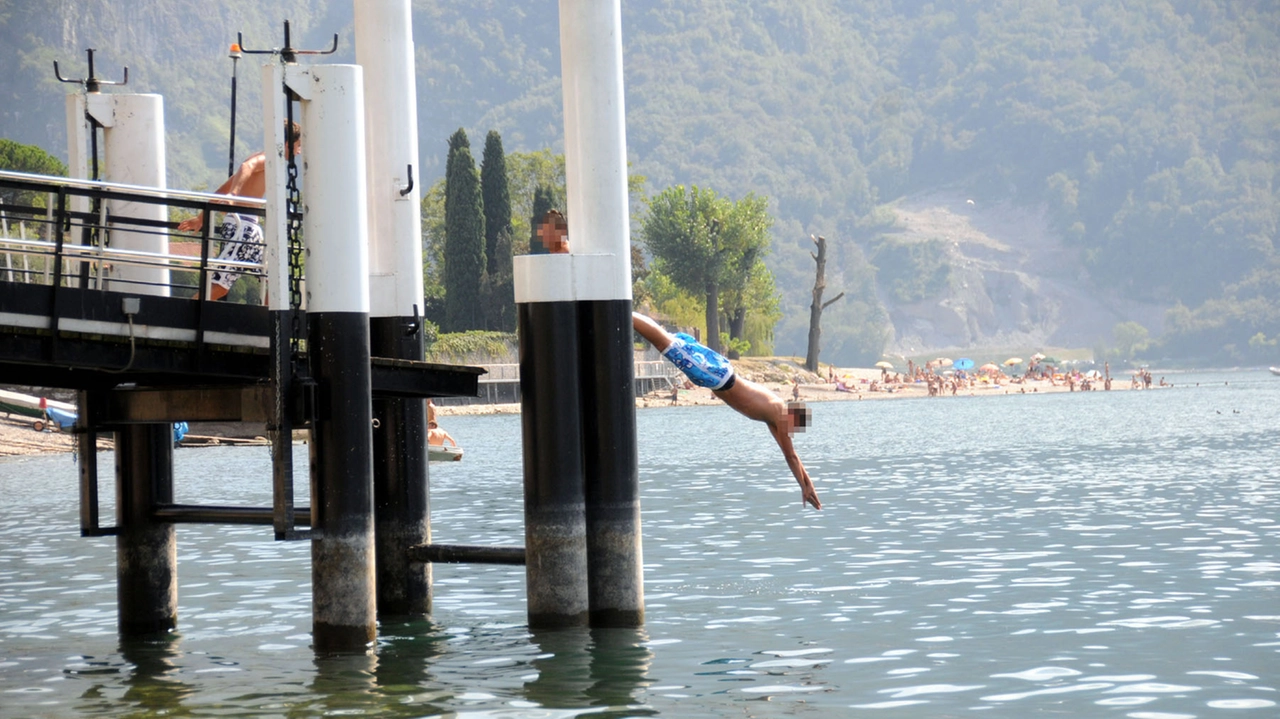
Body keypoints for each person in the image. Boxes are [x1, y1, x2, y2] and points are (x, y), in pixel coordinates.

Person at [632, 312, 821, 510]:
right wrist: (803, 485)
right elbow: (790, 456)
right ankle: (626, 311)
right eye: (794, 427)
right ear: (792, 417)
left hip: (718, 376)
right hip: (718, 375)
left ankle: (628, 312)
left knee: (669, 342)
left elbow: (791, 454)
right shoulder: (779, 412)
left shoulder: (774, 418)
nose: (790, 432)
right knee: (667, 344)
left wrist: (808, 485)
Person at [177, 121, 302, 301]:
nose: (299, 152)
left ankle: (269, 326)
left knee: (275, 281)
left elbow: (220, 191)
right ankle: (186, 313)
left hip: (251, 229)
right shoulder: (268, 157)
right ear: (289, 144)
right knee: (220, 287)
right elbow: (246, 166)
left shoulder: (269, 161)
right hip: (241, 228)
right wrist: (234, 194)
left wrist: (200, 218)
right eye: (298, 146)